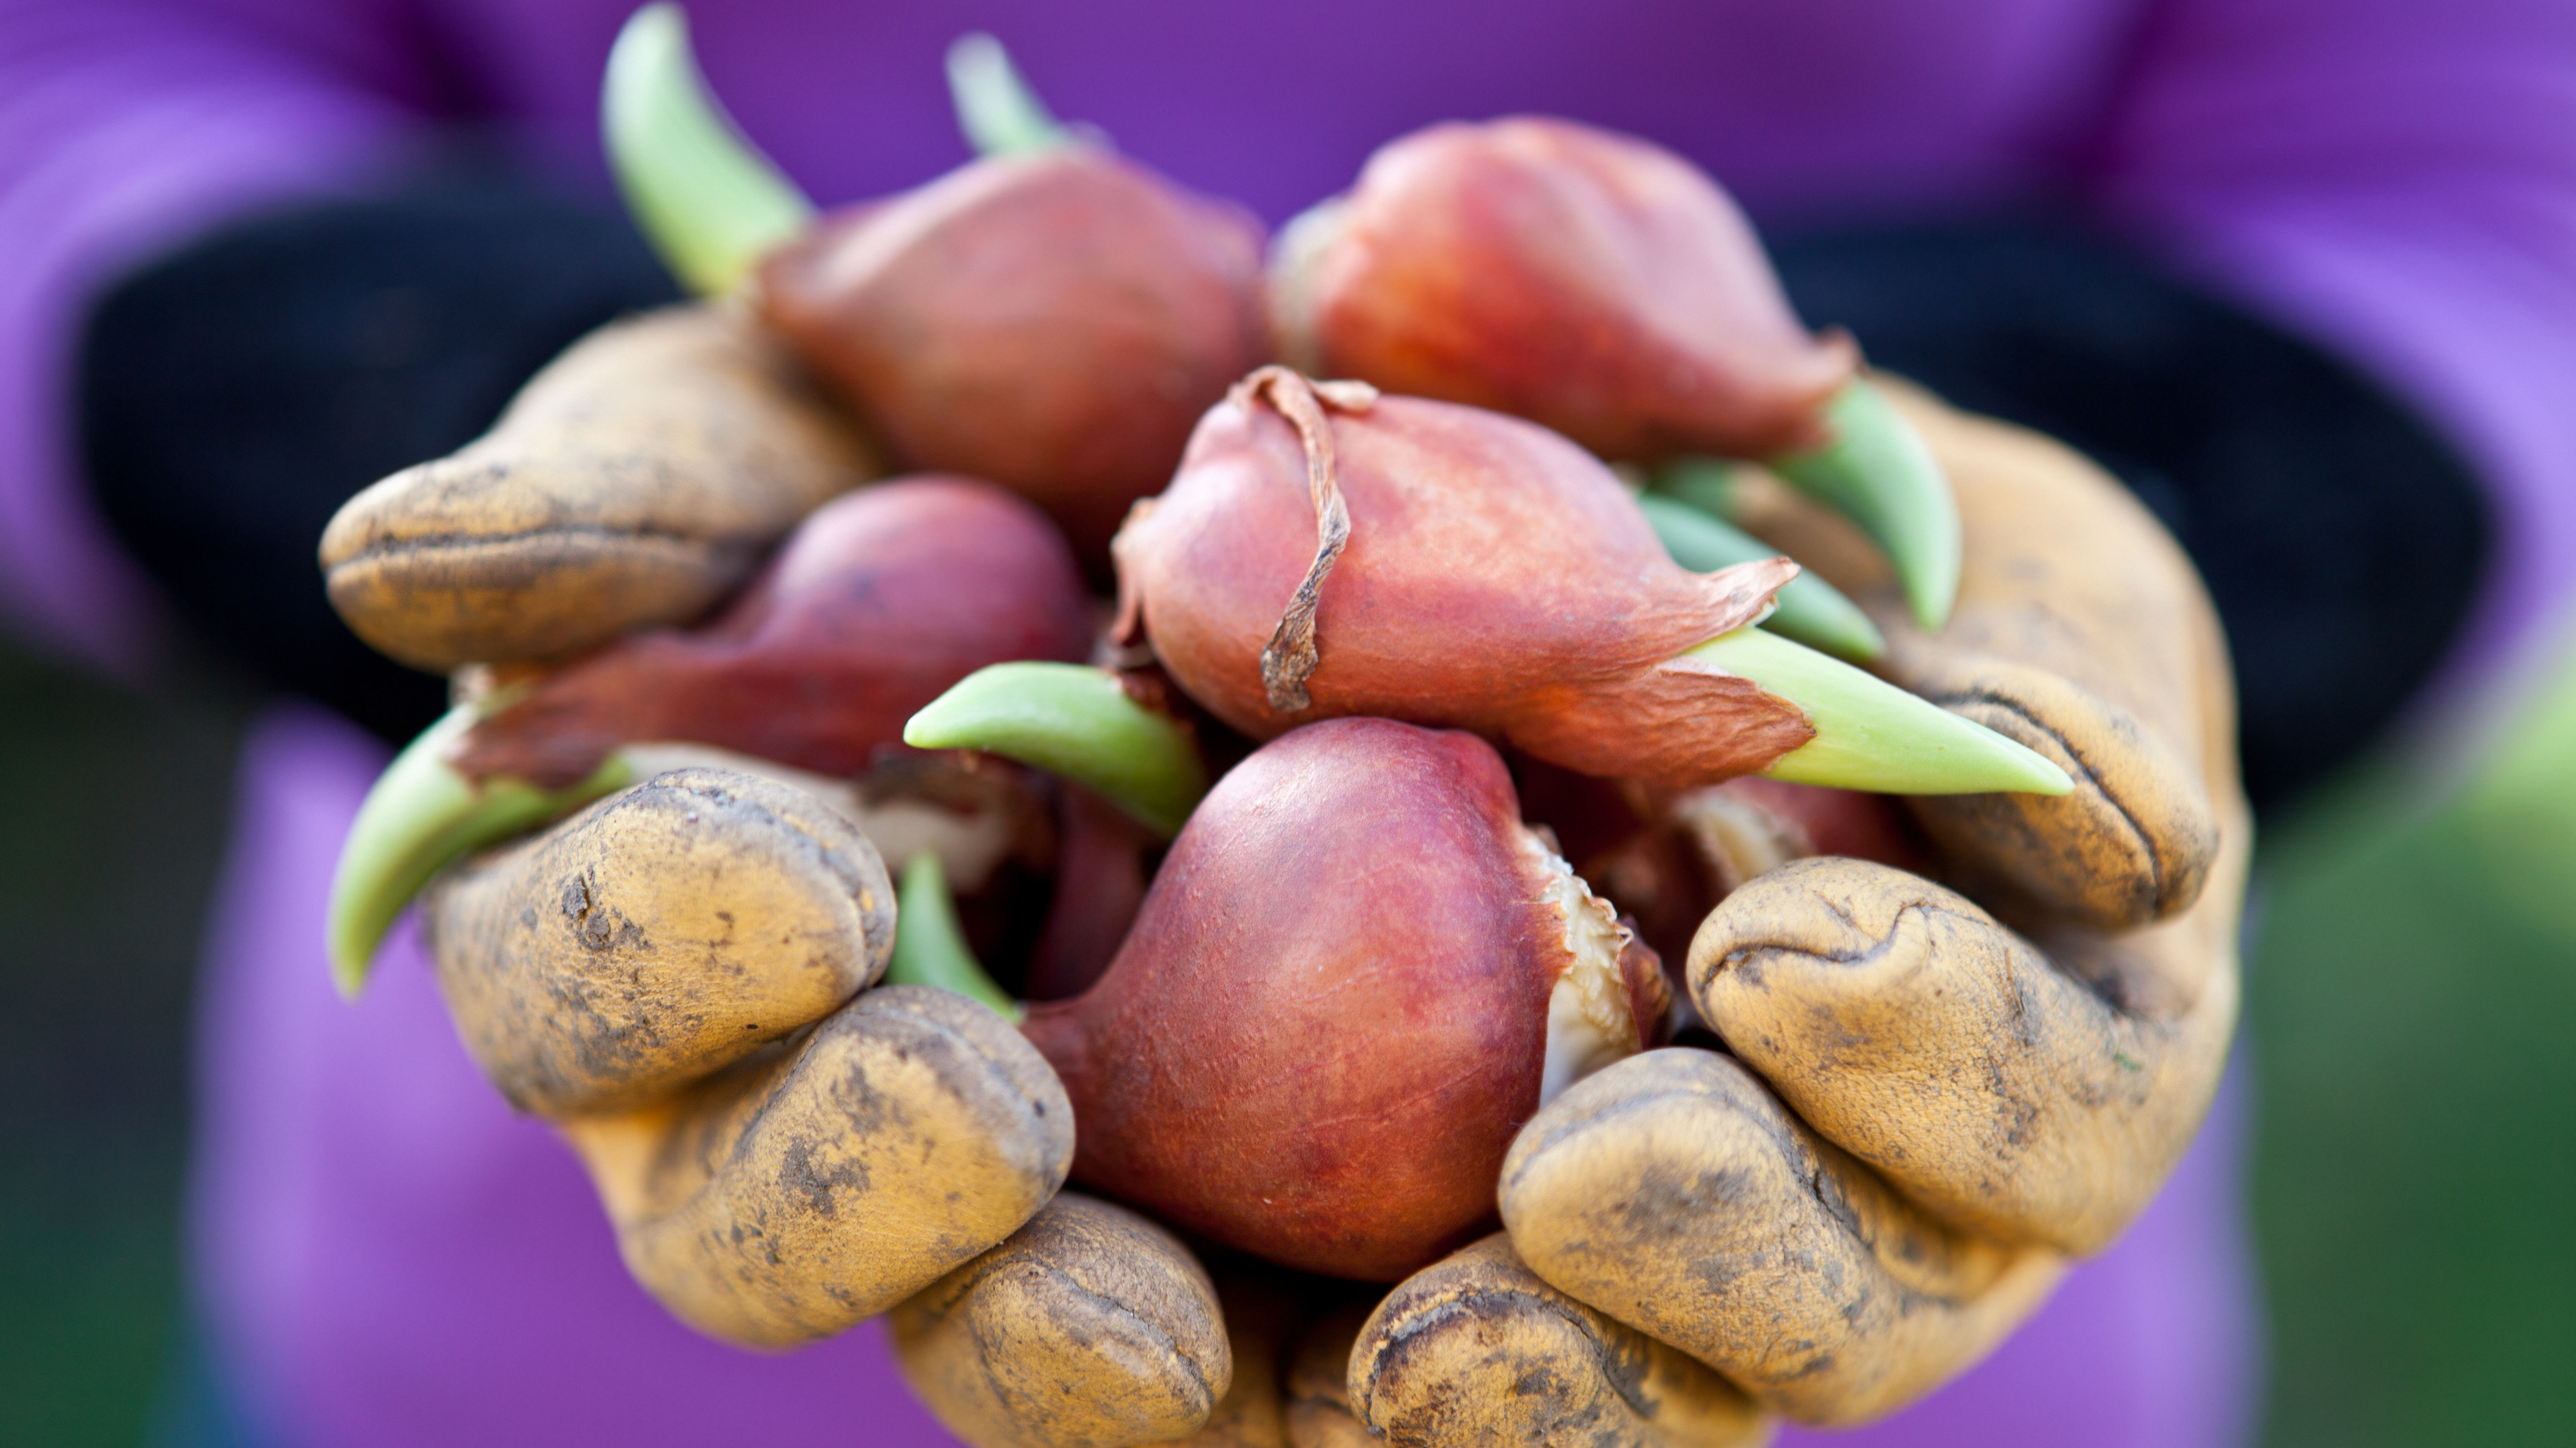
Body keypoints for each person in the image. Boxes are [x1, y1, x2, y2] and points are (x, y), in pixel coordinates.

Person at [7, 2, 2572, 1444]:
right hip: (498, 1350)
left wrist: (2216, 506)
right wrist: (357, 397)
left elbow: (2473, 187)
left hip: (1825, 1332)